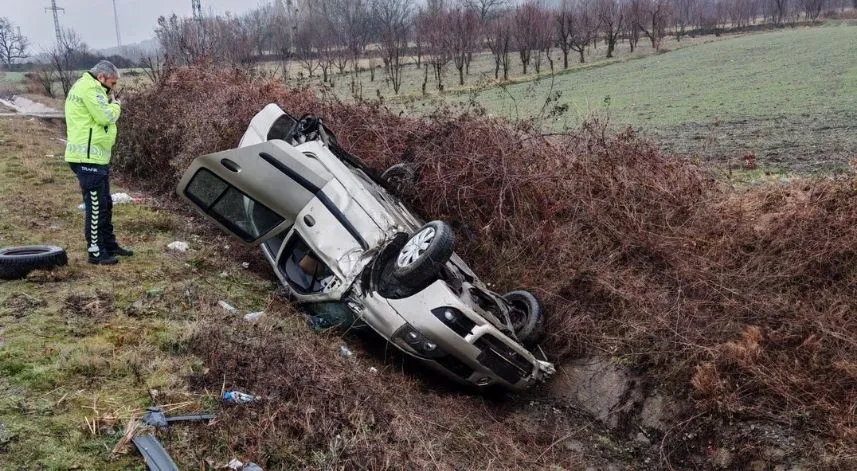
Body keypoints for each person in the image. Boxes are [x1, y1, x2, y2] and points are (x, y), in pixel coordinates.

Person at [64, 60, 133, 265]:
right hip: (87, 158)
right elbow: (106, 117)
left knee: (105, 203)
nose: (114, 88)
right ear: (101, 77)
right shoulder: (90, 89)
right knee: (95, 206)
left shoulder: (90, 87)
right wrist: (117, 104)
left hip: (95, 157)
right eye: (112, 83)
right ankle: (95, 251)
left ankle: (109, 245)